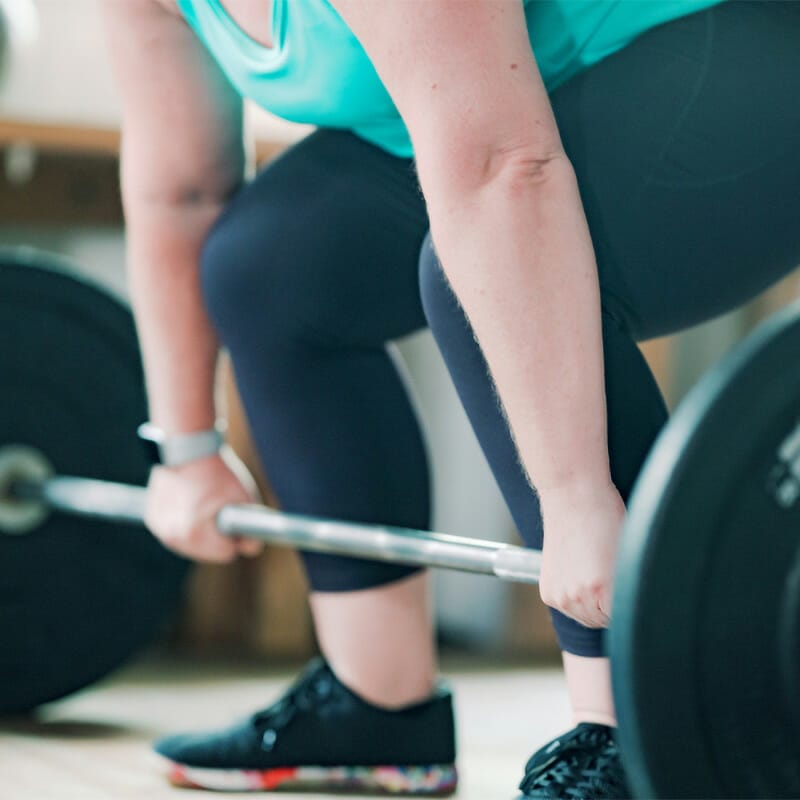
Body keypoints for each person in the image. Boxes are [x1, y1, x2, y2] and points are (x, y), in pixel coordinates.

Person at [104, 0, 800, 796]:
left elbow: (506, 171)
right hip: (520, 100)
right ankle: (378, 707)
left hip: (741, 53)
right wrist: (185, 451)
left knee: (486, 282)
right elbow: (182, 189)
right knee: (265, 267)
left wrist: (577, 499)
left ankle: (639, 741)